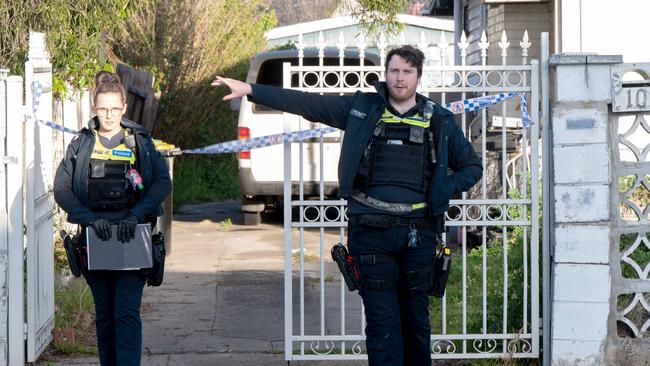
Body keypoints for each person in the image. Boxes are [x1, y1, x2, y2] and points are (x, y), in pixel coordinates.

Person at [213, 45, 482, 366]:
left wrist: (442, 189)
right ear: (386, 73)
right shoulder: (360, 108)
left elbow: (471, 168)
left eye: (407, 72)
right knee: (382, 328)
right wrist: (252, 90)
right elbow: (307, 102)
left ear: (418, 77)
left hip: (418, 237)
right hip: (371, 236)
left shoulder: (439, 120)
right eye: (395, 71)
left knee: (417, 327)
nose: (400, 78)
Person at [53, 71, 172, 366]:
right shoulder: (81, 144)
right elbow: (62, 188)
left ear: (124, 108)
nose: (108, 115)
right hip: (95, 242)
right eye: (103, 109)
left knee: (126, 313)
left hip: (133, 238)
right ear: (95, 108)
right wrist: (89, 219)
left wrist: (136, 214)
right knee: (105, 316)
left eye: (114, 109)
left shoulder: (140, 142)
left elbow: (162, 183)